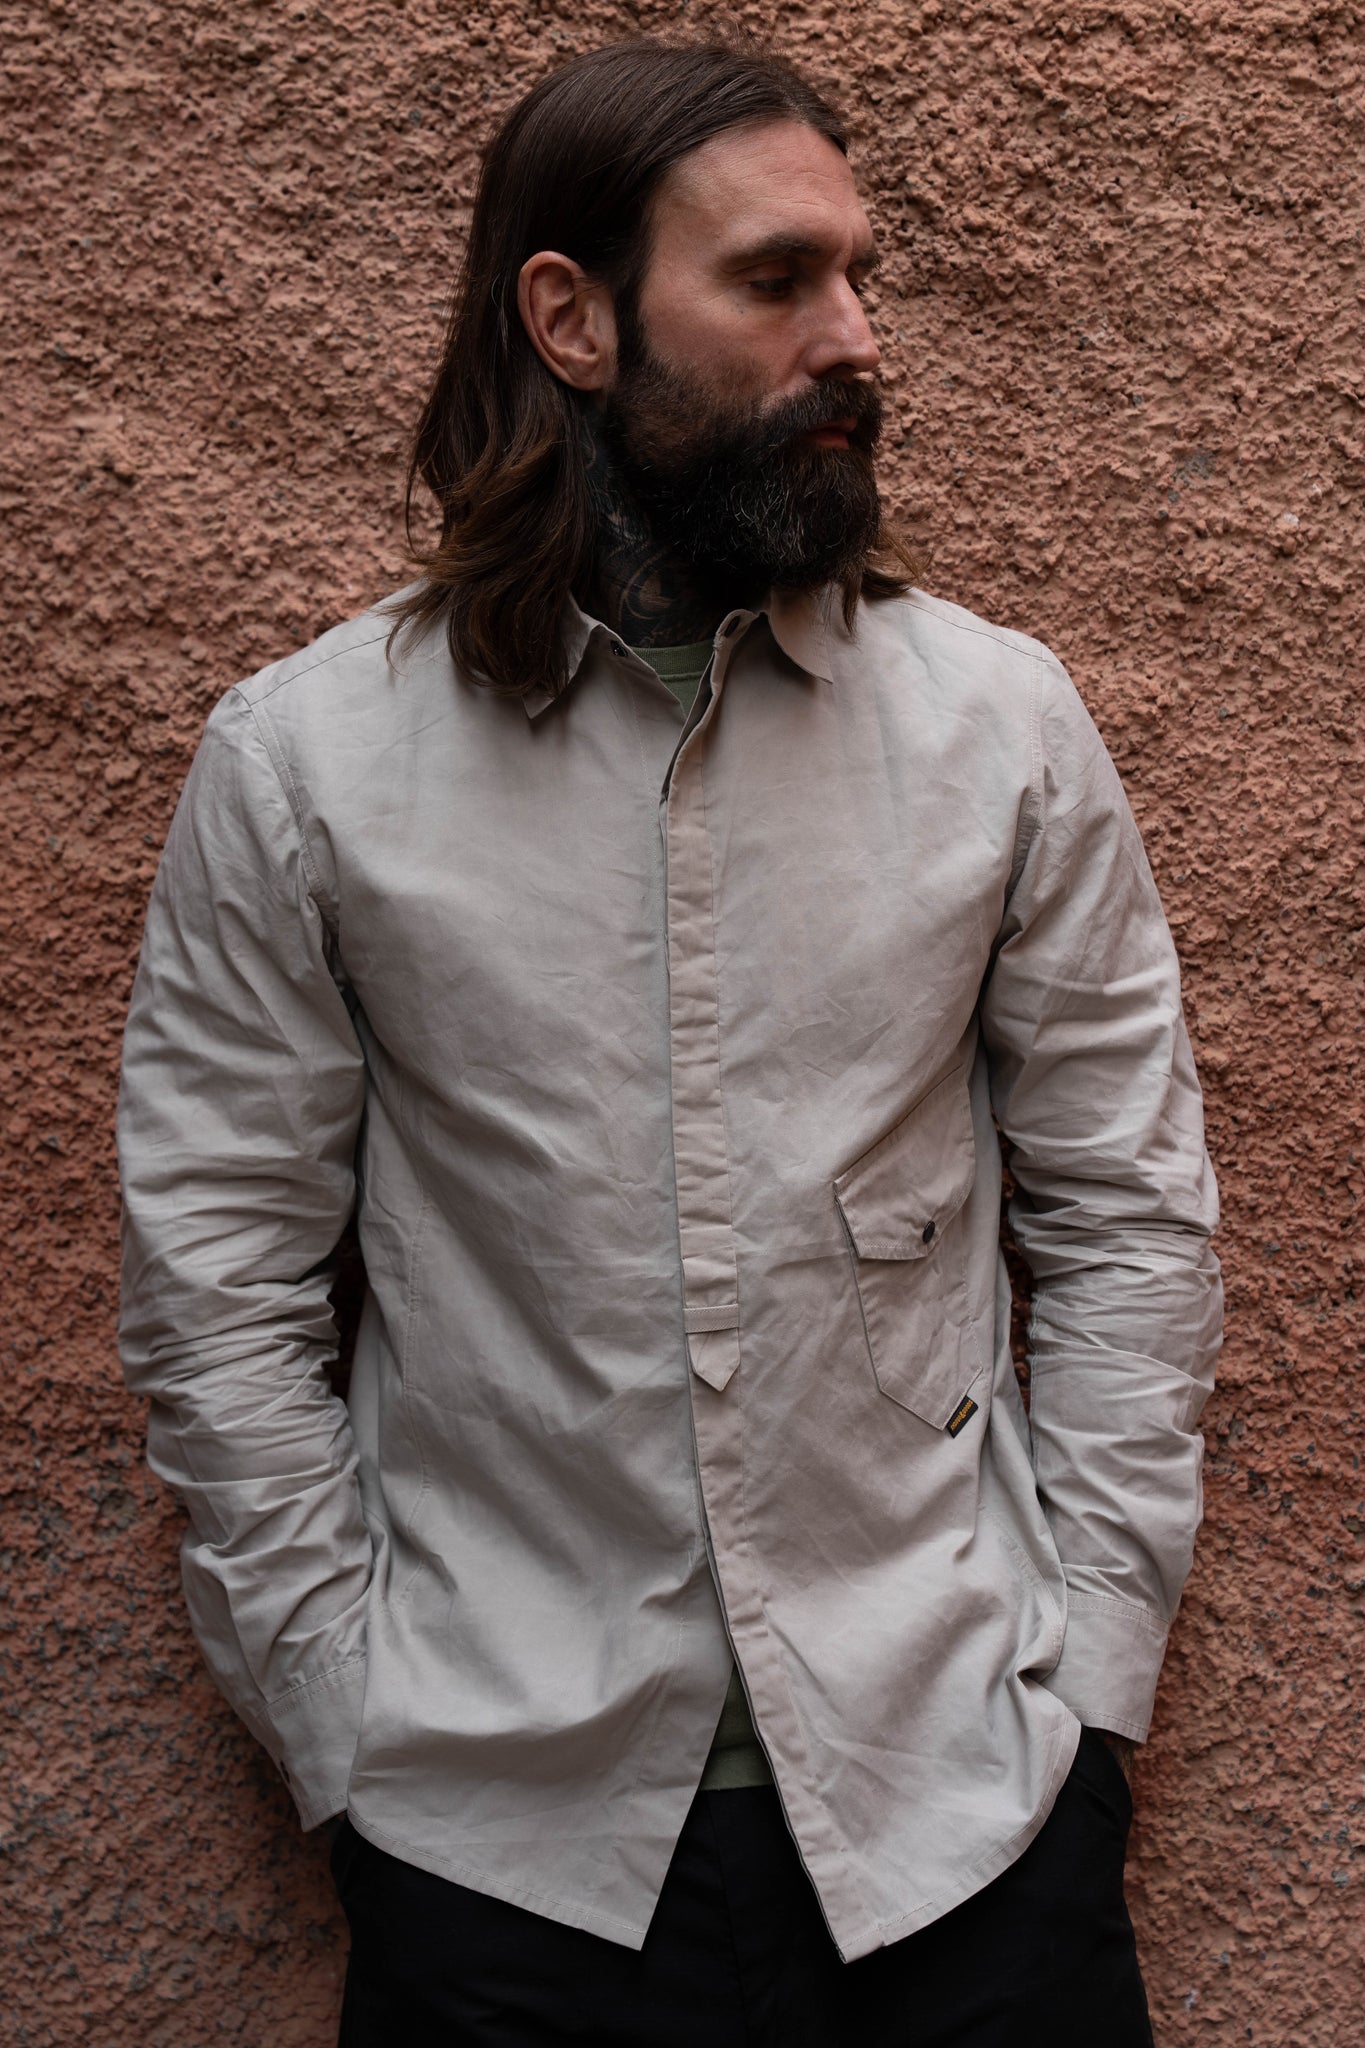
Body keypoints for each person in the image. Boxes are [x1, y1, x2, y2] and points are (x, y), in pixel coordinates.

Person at [117, 35, 1222, 2047]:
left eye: (857, 275)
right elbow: (218, 1277)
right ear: (573, 319)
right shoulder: (308, 767)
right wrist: (345, 1728)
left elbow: (1127, 1216)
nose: (856, 337)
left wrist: (1087, 1687)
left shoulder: (998, 730)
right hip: (500, 1856)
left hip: (963, 1824)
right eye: (776, 279)